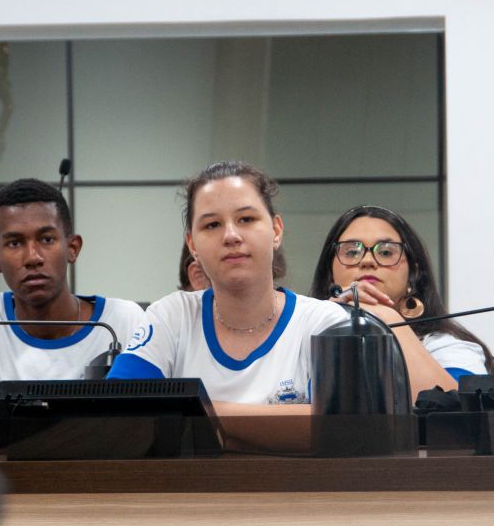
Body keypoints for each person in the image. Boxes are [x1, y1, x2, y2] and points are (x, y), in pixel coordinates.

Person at [108, 161, 349, 418]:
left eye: (246, 219)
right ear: (192, 246)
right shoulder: (172, 316)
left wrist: (193, 412)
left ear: (276, 231)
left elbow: (336, 429)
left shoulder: (323, 323)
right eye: (212, 225)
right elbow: (117, 413)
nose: (231, 235)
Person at [0, 178, 145, 380]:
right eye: (15, 243)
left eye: (47, 239)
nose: (33, 257)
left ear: (73, 248)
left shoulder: (123, 321)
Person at [308, 206, 494, 390]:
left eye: (385, 252)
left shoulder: (444, 347)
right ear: (329, 274)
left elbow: (459, 413)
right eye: (351, 252)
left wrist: (387, 319)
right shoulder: (301, 336)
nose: (367, 261)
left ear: (413, 274)